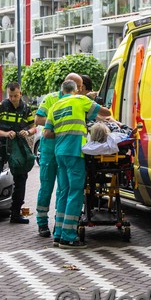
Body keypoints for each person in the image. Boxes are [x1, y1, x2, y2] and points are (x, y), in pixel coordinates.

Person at [43, 79, 111, 248]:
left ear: (62, 90)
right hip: (75, 152)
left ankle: (58, 234)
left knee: (64, 192)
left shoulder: (54, 106)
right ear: (76, 90)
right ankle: (68, 237)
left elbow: (46, 134)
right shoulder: (80, 100)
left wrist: (62, 133)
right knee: (75, 192)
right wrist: (90, 99)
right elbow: (106, 111)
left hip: (59, 153)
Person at [0, 82, 36, 227]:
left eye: (16, 96)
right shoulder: (1, 106)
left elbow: (34, 127)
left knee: (21, 178)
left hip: (18, 146)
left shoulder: (26, 108)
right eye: (11, 96)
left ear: (20, 94)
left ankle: (15, 213)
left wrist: (27, 132)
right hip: (1, 145)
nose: (14, 99)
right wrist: (4, 134)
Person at [34, 73, 85, 238]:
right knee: (47, 186)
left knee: (63, 188)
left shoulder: (77, 100)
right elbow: (38, 119)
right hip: (50, 150)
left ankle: (59, 222)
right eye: (79, 86)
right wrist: (59, 124)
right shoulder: (51, 99)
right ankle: (42, 222)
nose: (80, 89)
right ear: (68, 84)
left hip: (64, 149)